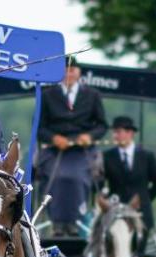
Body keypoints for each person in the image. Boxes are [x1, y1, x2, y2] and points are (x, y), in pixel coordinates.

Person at [36, 57, 107, 236]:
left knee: (76, 178)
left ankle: (76, 220)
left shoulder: (93, 95)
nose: (69, 73)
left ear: (78, 73)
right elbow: (39, 127)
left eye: (72, 69)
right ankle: (57, 223)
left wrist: (89, 136)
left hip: (82, 151)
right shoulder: (47, 95)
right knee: (57, 177)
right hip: (55, 150)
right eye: (65, 70)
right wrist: (53, 138)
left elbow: (102, 125)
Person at [101, 116, 156, 254]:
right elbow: (100, 183)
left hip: (141, 215)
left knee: (139, 253)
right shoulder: (107, 156)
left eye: (119, 132)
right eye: (114, 132)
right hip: (116, 213)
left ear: (130, 133)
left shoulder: (146, 156)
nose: (116, 135)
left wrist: (144, 199)